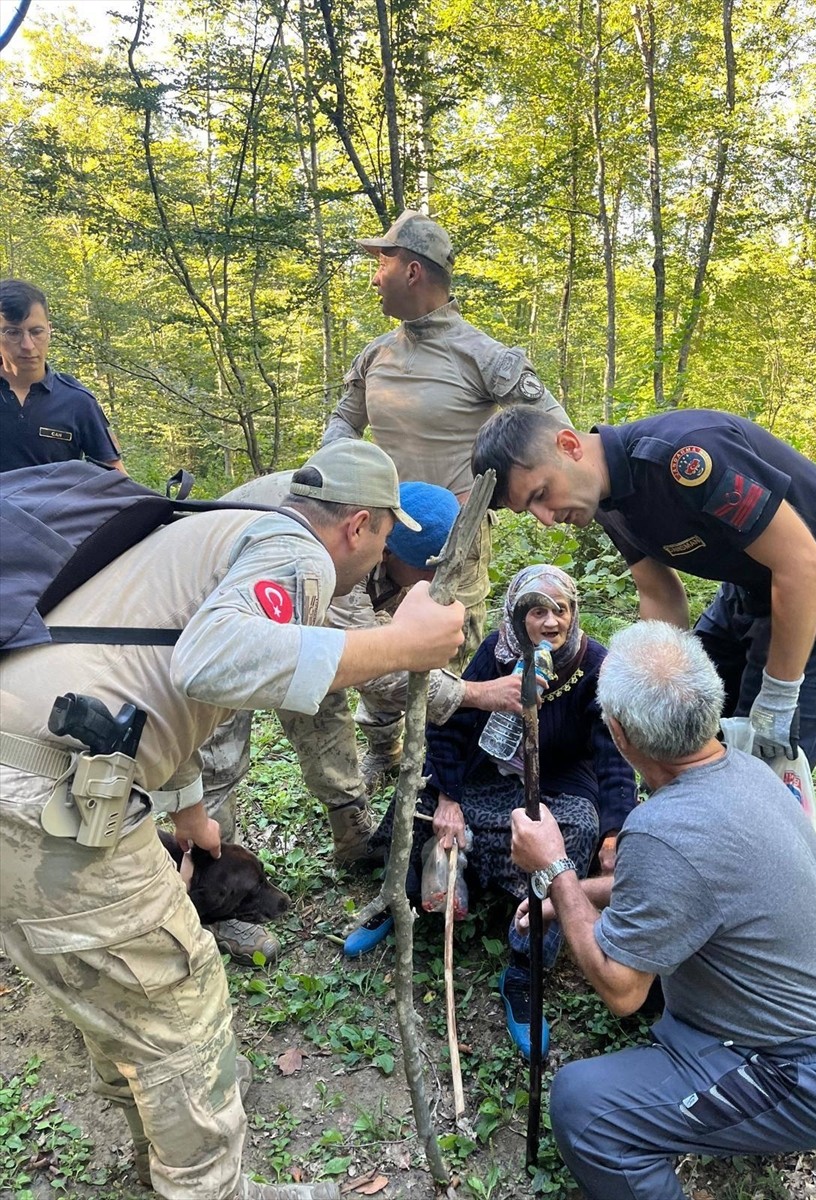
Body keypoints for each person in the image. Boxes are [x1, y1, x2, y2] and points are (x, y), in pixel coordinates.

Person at [0, 439, 464, 1200]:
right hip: (47, 799)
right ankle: (207, 1178)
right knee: (182, 1011)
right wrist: (397, 646)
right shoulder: (295, 552)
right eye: (385, 536)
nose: (380, 556)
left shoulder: (212, 531)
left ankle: (165, 1130)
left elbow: (148, 668)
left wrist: (186, 807)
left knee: (107, 987)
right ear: (359, 525)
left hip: (28, 776)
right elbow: (212, 661)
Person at [510, 621, 816, 1200]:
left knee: (585, 1107)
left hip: (806, 1076)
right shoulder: (746, 770)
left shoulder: (665, 830)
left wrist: (554, 868)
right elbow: (681, 881)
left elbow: (621, 990)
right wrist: (573, 897)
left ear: (620, 734)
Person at [199, 475, 524, 966]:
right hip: (218, 632)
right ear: (387, 548)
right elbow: (377, 673)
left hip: (292, 623)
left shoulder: (382, 523)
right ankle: (217, 900)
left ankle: (351, 836)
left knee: (321, 702)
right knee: (218, 755)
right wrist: (476, 693)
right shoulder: (335, 564)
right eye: (426, 571)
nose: (430, 585)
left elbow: (338, 667)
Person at [472, 405, 816, 767]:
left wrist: (780, 694)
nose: (546, 517)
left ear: (569, 445)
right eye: (530, 510)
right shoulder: (603, 501)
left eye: (542, 493)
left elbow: (803, 563)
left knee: (767, 760)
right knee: (682, 723)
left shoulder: (683, 458)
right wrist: (646, 679)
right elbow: (659, 592)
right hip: (748, 588)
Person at [322, 208, 570, 775]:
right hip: (376, 536)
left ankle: (448, 767)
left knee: (453, 648)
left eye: (381, 262)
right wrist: (337, 479)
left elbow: (555, 434)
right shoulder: (374, 354)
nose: (373, 275)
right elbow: (342, 424)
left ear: (412, 271)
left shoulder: (483, 357)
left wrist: (498, 494)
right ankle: (384, 751)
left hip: (451, 541)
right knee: (375, 639)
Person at [355, 565, 637, 1061]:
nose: (551, 622)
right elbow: (450, 724)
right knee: (417, 797)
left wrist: (615, 833)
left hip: (553, 788)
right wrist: (447, 797)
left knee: (578, 830)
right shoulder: (496, 652)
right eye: (537, 610)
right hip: (486, 776)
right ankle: (401, 897)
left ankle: (525, 971)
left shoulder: (595, 667)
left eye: (561, 609)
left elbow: (613, 758)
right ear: (515, 612)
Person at [0, 279, 125, 473]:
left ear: (49, 329)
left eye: (36, 332)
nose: (28, 345)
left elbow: (117, 480)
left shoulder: (77, 401)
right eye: (13, 333)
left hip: (56, 504)